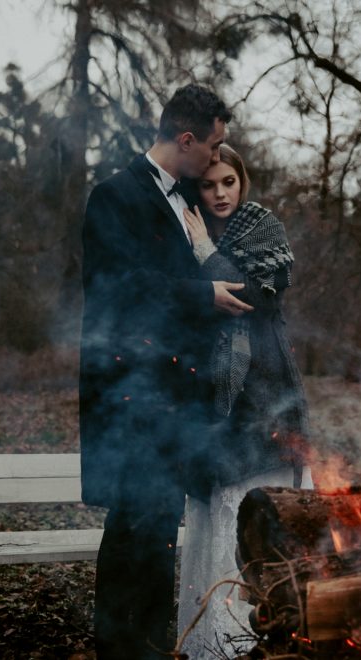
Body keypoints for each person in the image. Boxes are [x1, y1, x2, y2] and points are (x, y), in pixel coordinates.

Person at [80, 84, 253, 660]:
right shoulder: (114, 197)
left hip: (174, 402)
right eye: (213, 144)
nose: (216, 157)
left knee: (156, 535)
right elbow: (120, 289)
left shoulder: (187, 203)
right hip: (130, 399)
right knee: (131, 533)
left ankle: (151, 648)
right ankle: (119, 649)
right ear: (186, 139)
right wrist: (203, 297)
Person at [176, 144, 311, 657]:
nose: (219, 194)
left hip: (264, 386)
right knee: (217, 507)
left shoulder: (262, 227)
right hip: (208, 392)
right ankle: (214, 641)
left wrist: (207, 252)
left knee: (257, 504)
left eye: (228, 182)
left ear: (242, 181)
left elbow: (254, 294)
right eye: (209, 185)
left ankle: (261, 635)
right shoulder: (184, 227)